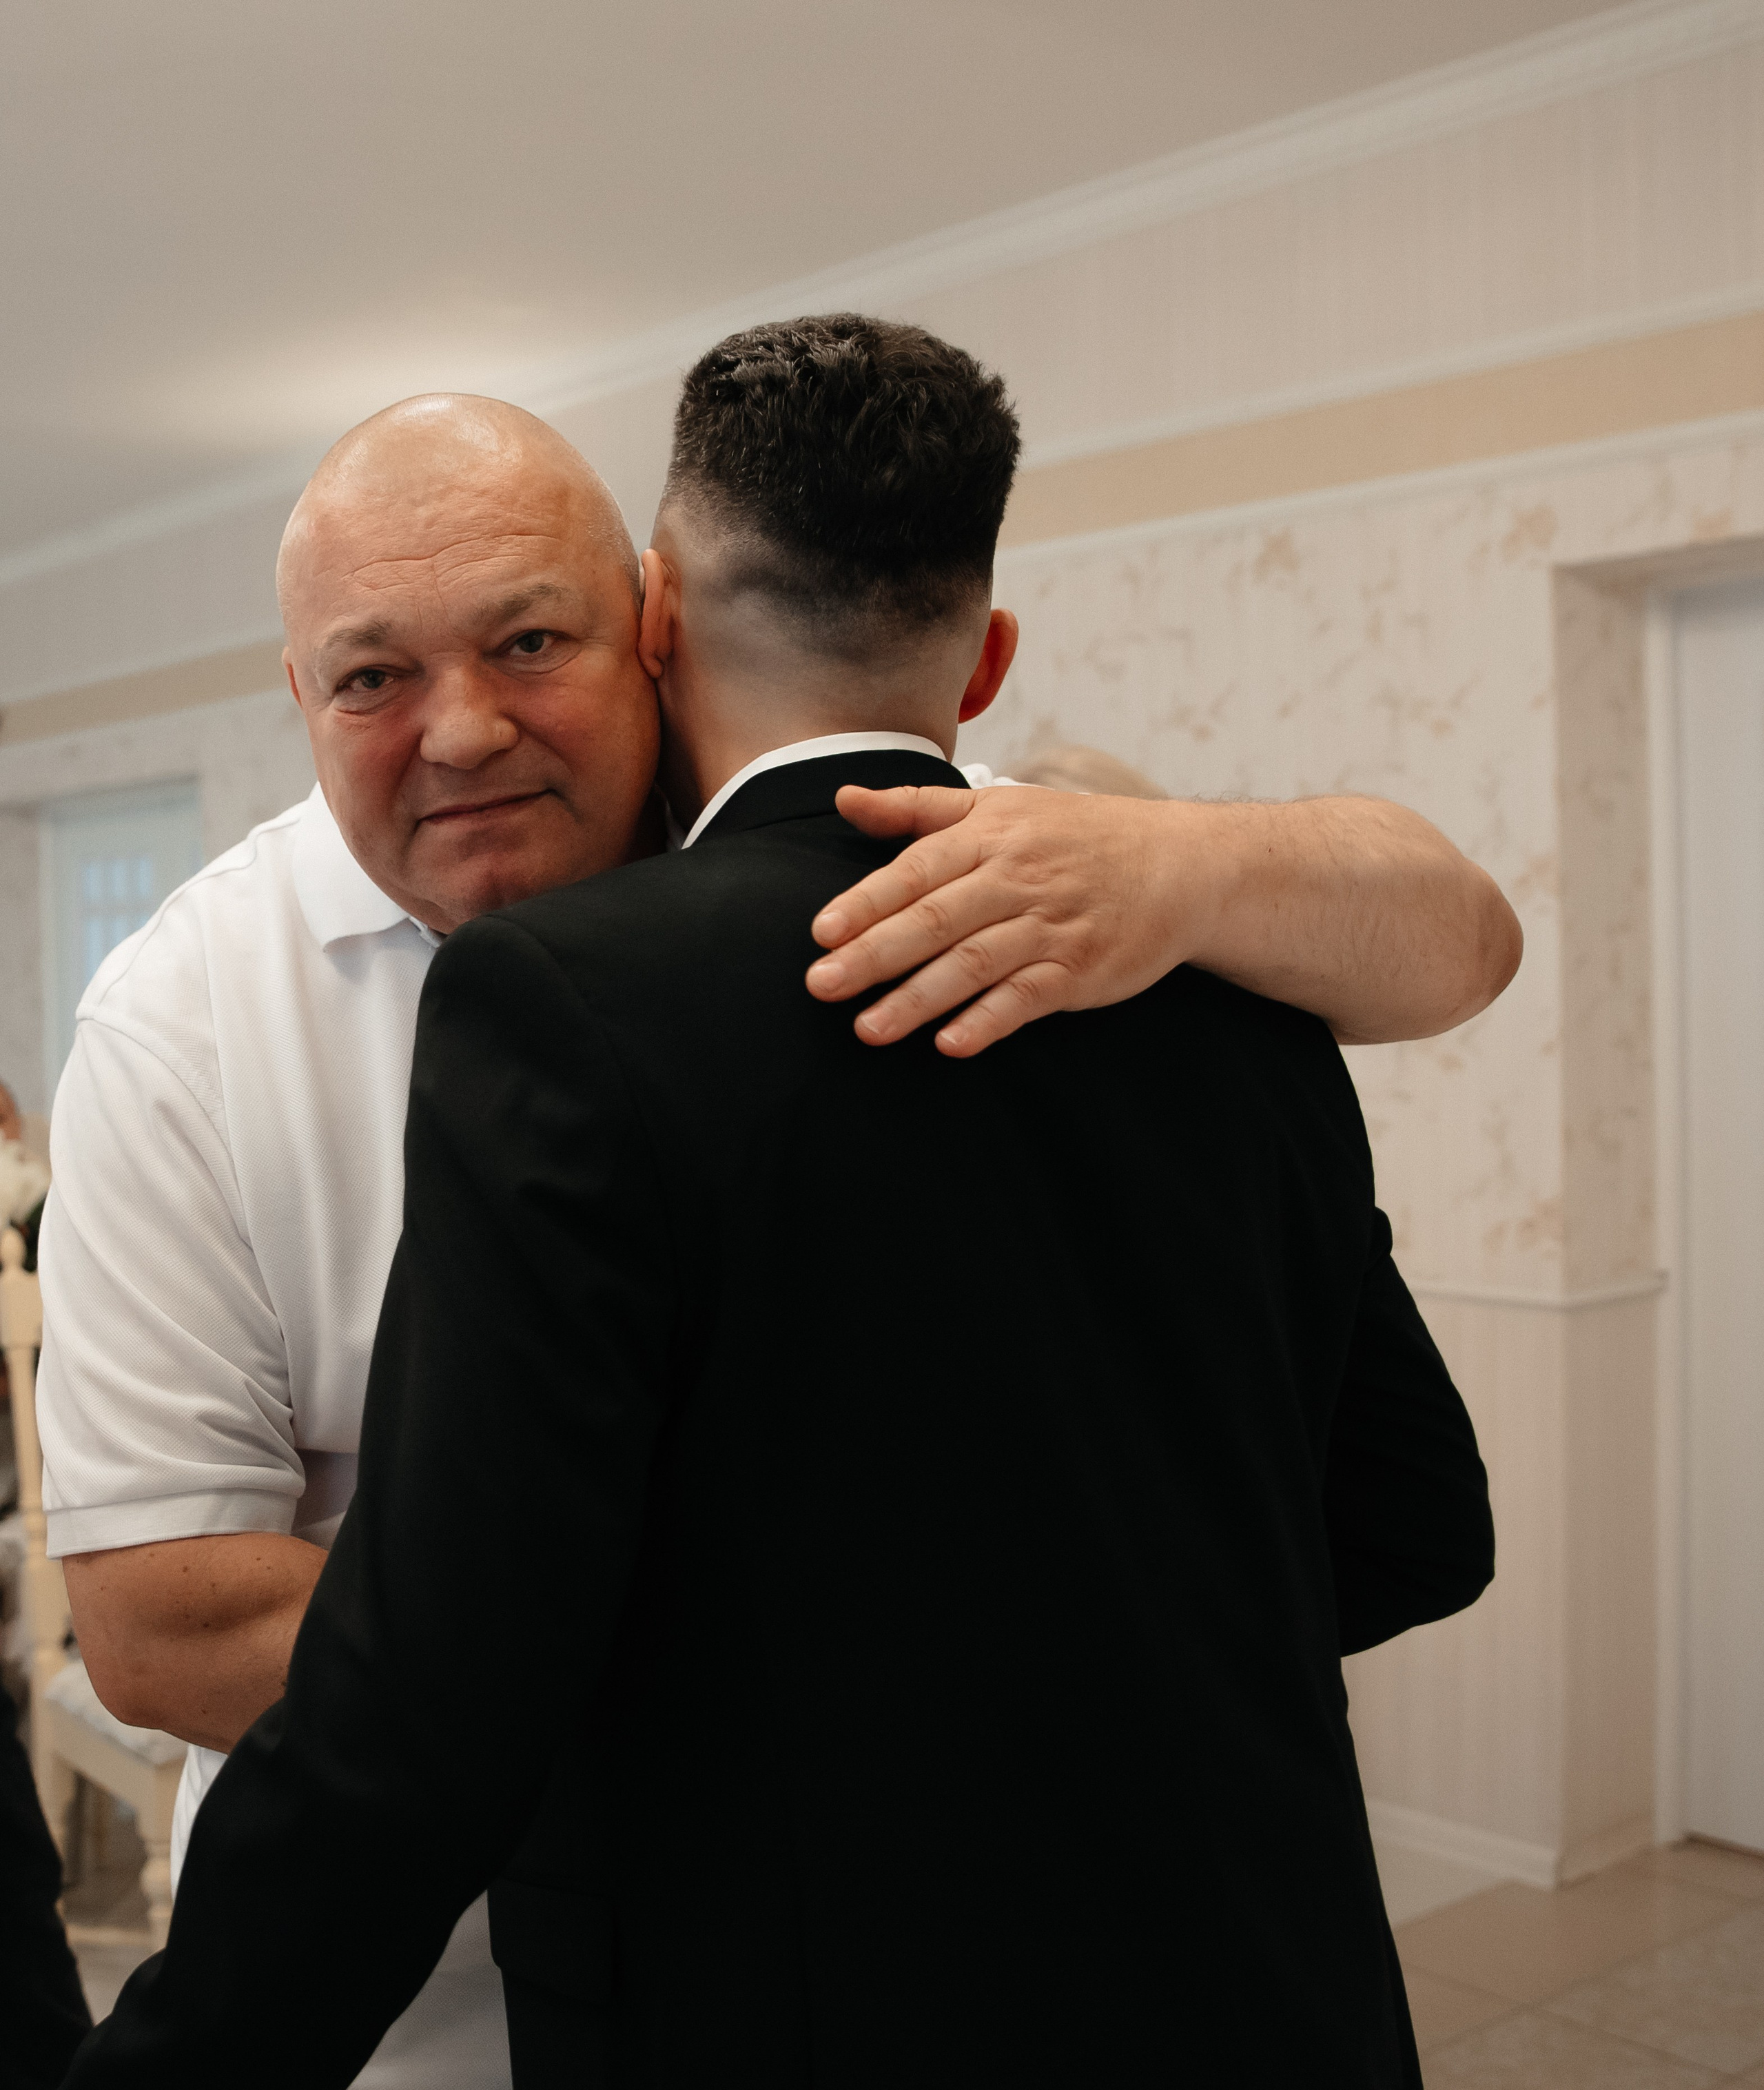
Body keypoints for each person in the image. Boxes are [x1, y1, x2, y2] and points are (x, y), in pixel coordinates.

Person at [64, 315, 1495, 2089]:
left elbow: (451, 1670)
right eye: (370, 676)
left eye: (530, 639)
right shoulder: (180, 1017)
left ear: (650, 620)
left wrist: (1204, 861)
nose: (464, 728)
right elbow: (167, 1629)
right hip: (456, 2013)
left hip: (768, 1980)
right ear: (297, 695)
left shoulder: (1101, 903)